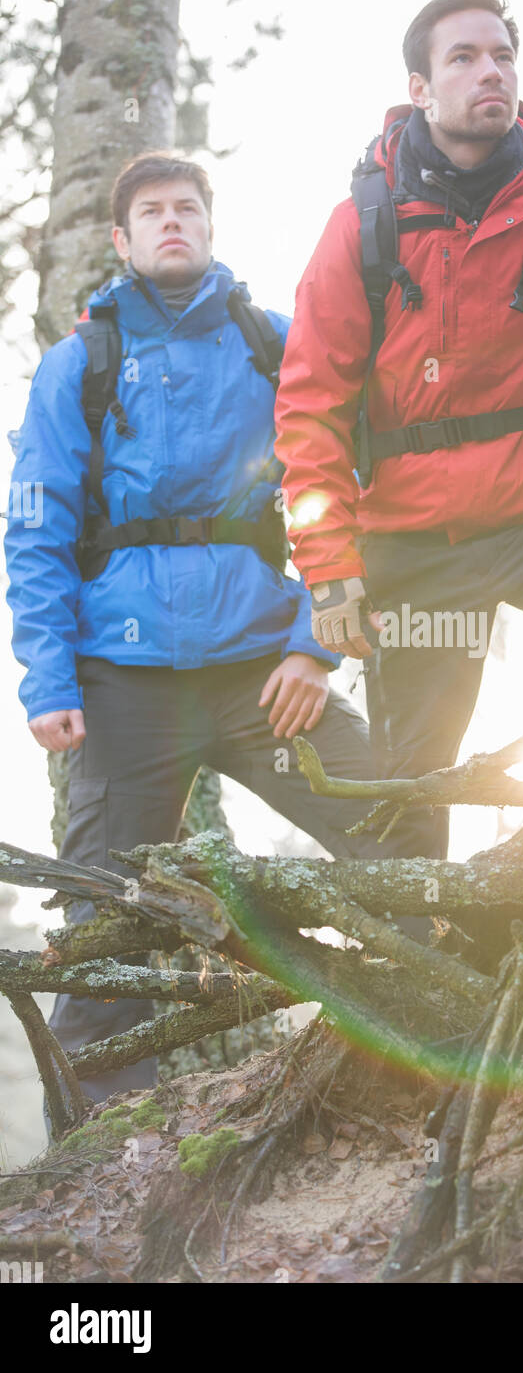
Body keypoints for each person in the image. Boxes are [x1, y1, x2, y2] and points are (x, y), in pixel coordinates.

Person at [5, 152, 381, 1105]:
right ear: (121, 241)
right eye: (151, 212)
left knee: (395, 819)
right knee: (105, 928)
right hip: (122, 685)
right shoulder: (77, 362)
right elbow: (36, 526)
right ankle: (96, 1163)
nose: (172, 222)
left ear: (208, 228)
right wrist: (48, 678)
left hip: (264, 673)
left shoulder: (274, 346)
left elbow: (348, 492)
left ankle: (433, 1051)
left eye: (187, 208)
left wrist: (314, 640)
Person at [274, 0, 523, 860]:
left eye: (501, 55)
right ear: (419, 88)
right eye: (462, 58)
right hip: (414, 547)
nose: (489, 71)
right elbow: (308, 410)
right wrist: (331, 570)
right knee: (410, 794)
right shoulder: (362, 227)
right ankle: (431, 965)